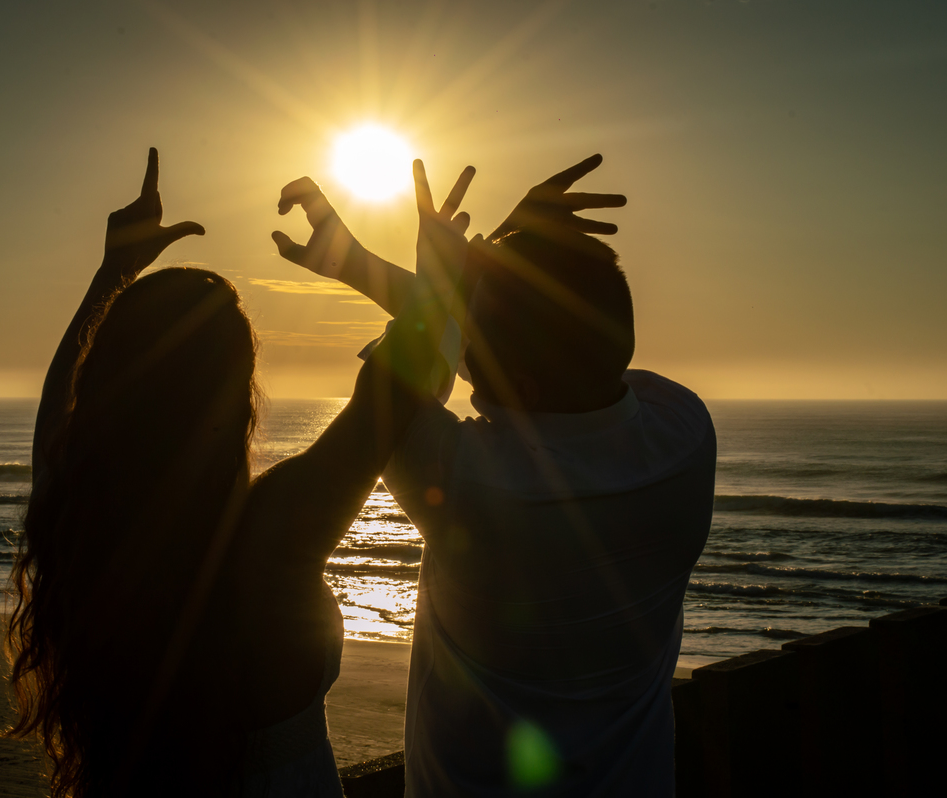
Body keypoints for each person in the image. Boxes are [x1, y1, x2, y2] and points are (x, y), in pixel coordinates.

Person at [5, 148, 475, 797]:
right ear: (238, 396)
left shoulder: (82, 521)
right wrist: (435, 272)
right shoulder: (272, 531)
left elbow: (60, 412)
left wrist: (113, 272)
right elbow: (396, 385)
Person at [273, 155, 716, 797]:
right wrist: (505, 258)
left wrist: (399, 270)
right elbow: (535, 344)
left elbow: (415, 368)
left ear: (523, 384)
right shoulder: (684, 432)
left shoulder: (466, 482)